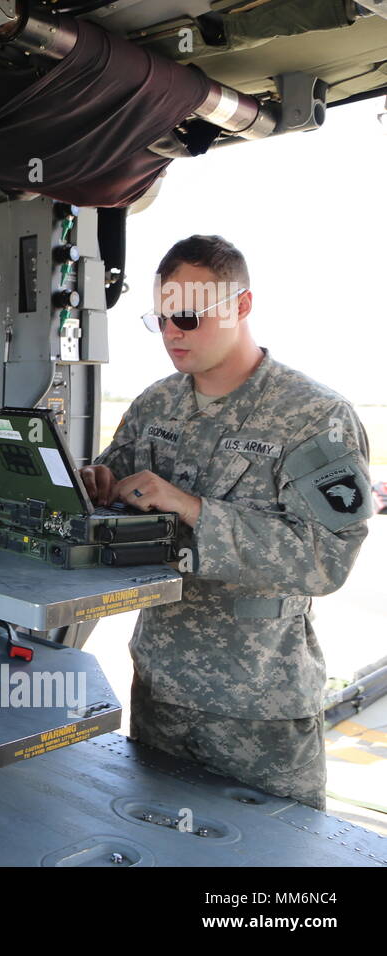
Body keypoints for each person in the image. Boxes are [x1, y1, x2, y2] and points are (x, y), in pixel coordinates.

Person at [79, 235, 373, 810]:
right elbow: (109, 489)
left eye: (187, 317)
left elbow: (324, 559)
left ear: (240, 306)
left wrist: (192, 508)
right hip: (161, 691)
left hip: (260, 711)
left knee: (268, 882)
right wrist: (93, 486)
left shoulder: (314, 416)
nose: (172, 334)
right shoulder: (153, 406)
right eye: (159, 320)